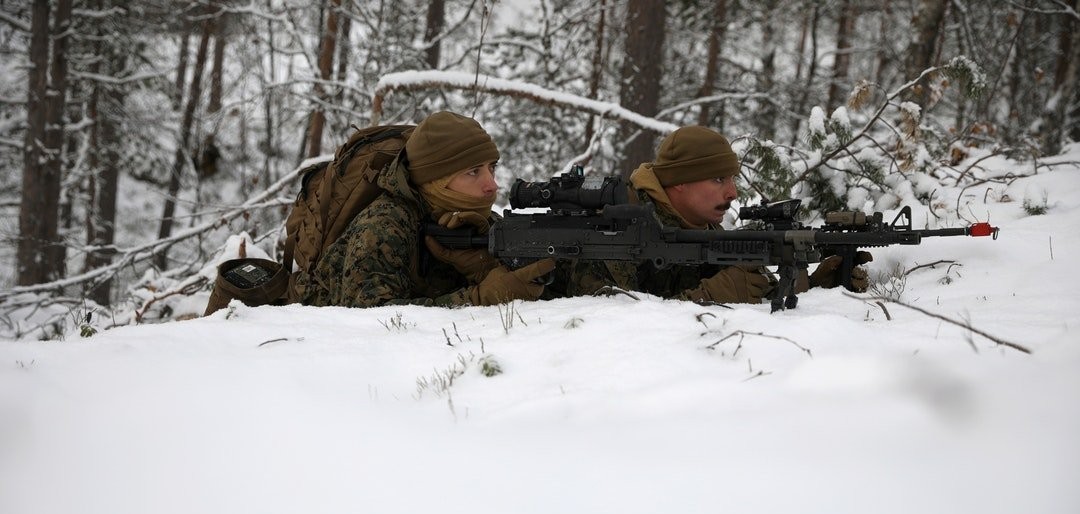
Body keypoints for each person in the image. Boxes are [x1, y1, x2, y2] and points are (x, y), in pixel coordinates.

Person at [568, 125, 872, 302]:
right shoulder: (619, 226)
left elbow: (750, 289)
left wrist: (814, 286)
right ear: (680, 182)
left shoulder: (701, 226)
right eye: (718, 180)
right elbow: (614, 326)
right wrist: (712, 297)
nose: (733, 193)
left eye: (732, 179)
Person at [301, 110, 555, 308]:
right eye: (473, 171)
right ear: (435, 180)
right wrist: (479, 299)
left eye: (492, 168)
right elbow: (371, 316)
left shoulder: (477, 219)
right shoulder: (383, 224)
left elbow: (545, 285)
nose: (492, 185)